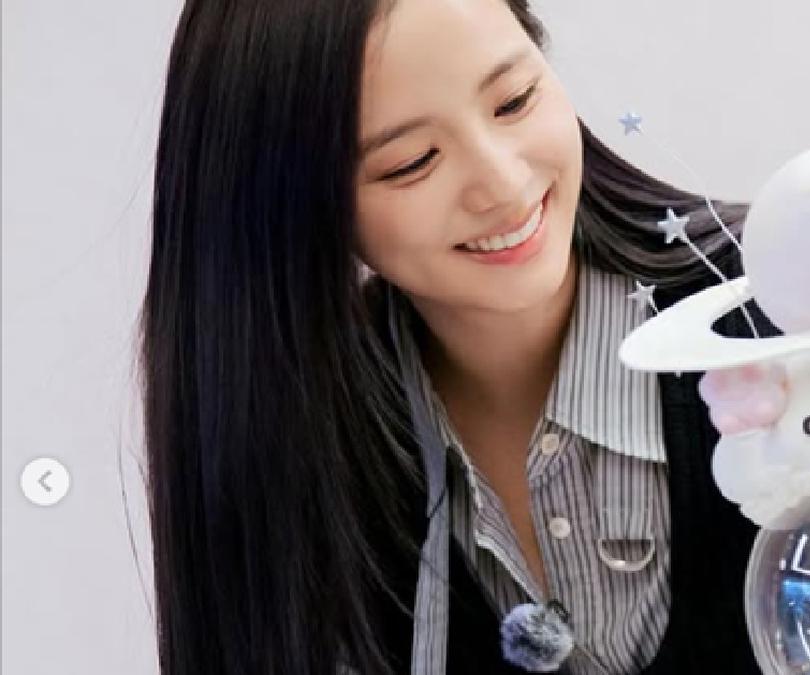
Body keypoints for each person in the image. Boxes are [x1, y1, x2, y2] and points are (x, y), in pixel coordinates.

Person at [140, 0, 769, 673]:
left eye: (515, 100)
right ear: (296, 212)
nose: (503, 183)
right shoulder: (293, 452)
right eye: (410, 162)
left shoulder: (781, 315)